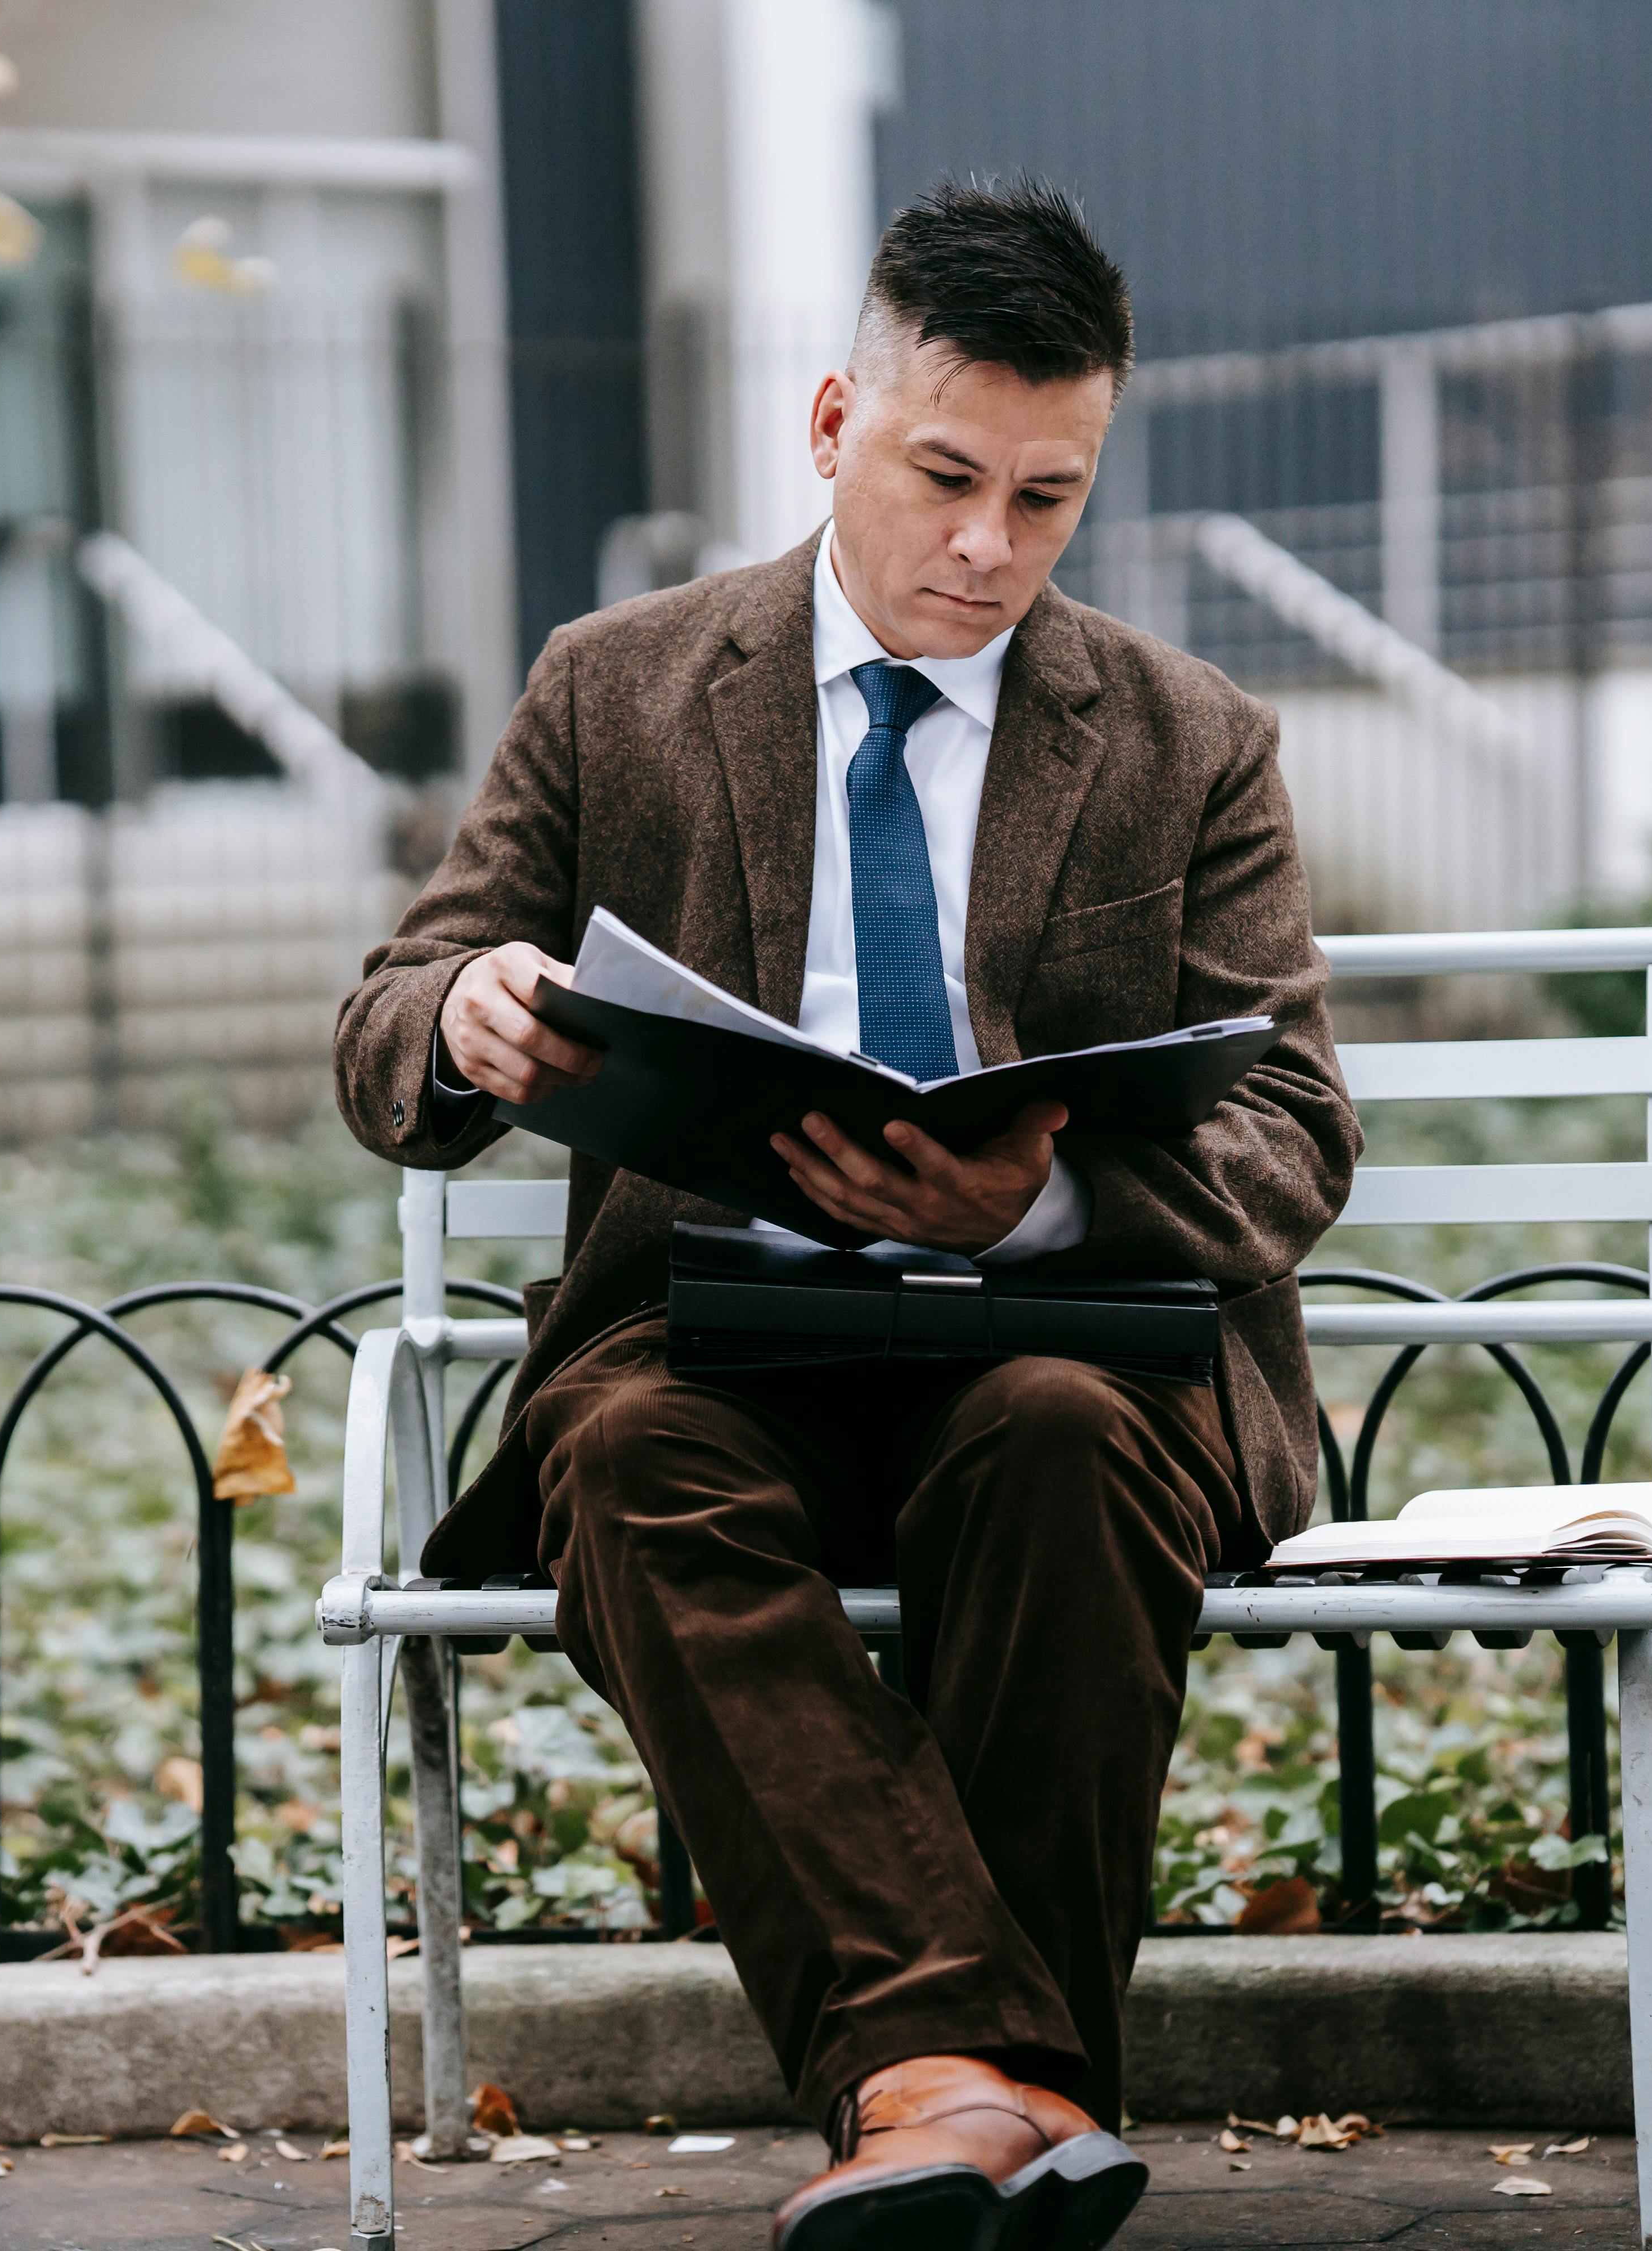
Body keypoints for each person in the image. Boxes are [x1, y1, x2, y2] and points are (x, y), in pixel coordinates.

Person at [331, 178, 1357, 2251]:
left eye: (1050, 500)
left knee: (1058, 1440)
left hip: (1074, 1352)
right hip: (716, 1345)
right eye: (944, 474)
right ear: (831, 426)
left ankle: (926, 2095)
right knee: (612, 1455)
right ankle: (1005, 2093)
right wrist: (472, 1012)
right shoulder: (615, 689)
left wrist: (1048, 1196)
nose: (989, 545)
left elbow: (1300, 1135)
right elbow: (382, 1037)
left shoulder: (1185, 740)